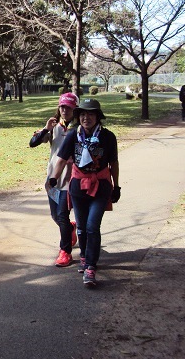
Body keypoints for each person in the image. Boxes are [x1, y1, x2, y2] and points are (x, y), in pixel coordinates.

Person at [48, 98, 120, 287]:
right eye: (82, 114)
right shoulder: (73, 135)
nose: (86, 117)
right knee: (80, 227)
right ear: (78, 116)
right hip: (78, 186)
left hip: (101, 185)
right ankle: (85, 257)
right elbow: (62, 159)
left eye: (90, 114)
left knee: (92, 226)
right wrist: (53, 178)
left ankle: (90, 266)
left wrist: (117, 186)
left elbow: (113, 163)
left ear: (98, 116)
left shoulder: (108, 137)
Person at [29, 93, 79, 267]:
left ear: (75, 109)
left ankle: (65, 252)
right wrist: (45, 129)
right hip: (52, 178)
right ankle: (71, 229)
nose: (65, 110)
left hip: (69, 177)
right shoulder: (54, 127)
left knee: (61, 215)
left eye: (69, 107)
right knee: (55, 216)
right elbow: (32, 143)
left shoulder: (79, 128)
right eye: (62, 107)